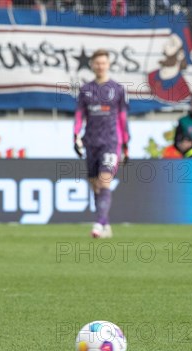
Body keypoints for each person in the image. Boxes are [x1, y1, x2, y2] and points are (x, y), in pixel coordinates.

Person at [74, 49, 130, 239]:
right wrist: (75, 135)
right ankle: (105, 224)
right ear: (92, 65)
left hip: (110, 142)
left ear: (108, 64)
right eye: (97, 63)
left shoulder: (117, 89)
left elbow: (123, 118)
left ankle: (98, 223)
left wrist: (126, 145)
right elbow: (80, 115)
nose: (100, 66)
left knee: (105, 179)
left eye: (103, 63)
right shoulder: (85, 90)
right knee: (95, 185)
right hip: (91, 142)